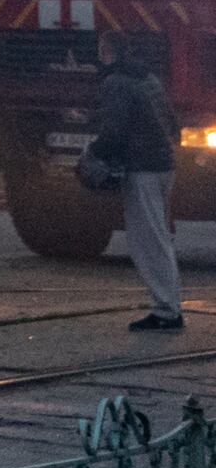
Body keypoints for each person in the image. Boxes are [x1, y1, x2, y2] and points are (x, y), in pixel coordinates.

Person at [86, 29, 184, 333]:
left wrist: (93, 154)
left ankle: (167, 311)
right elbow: (172, 123)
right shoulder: (149, 78)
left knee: (148, 242)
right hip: (163, 165)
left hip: (142, 168)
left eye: (101, 48)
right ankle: (169, 306)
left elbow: (115, 131)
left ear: (107, 51)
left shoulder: (116, 83)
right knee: (160, 239)